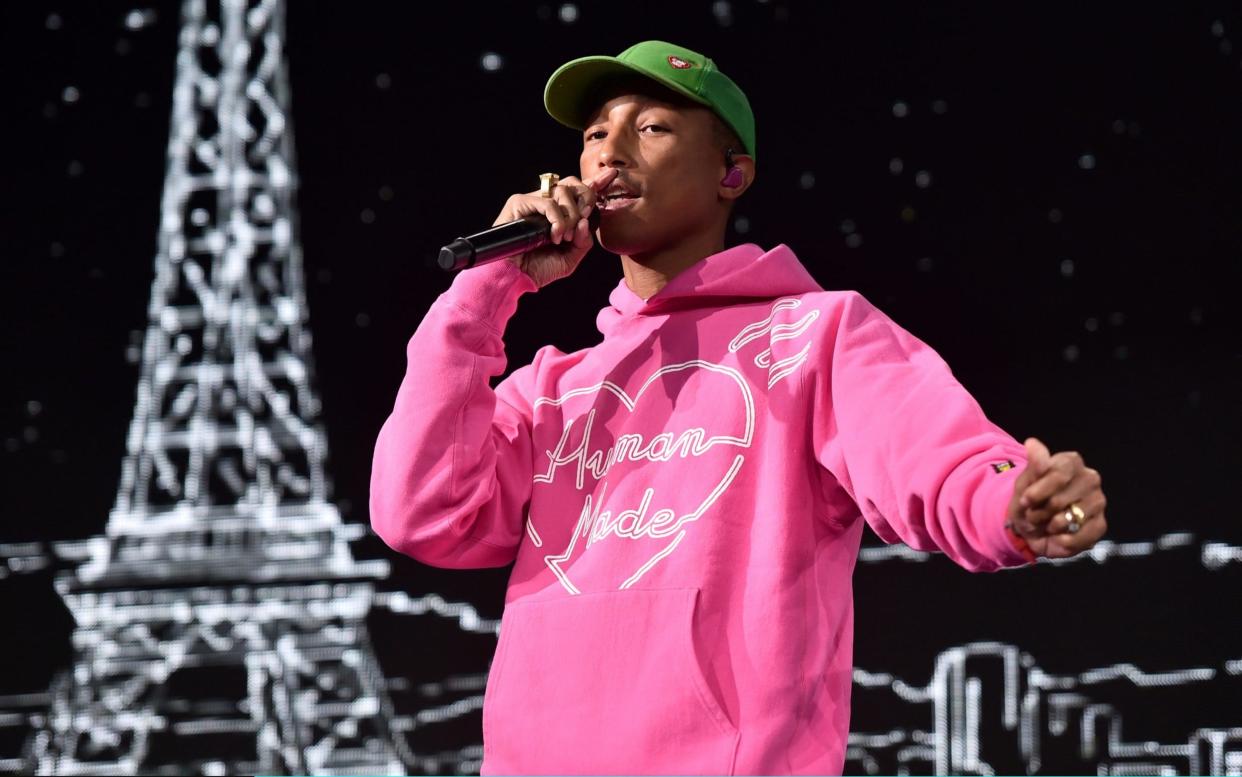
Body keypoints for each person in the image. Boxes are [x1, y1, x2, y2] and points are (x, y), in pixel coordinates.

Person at [370, 40, 1108, 776]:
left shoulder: (817, 337)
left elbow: (936, 463)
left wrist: (1011, 502)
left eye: (651, 127)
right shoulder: (553, 389)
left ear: (732, 173)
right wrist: (487, 291)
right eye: (595, 133)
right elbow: (420, 509)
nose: (608, 153)